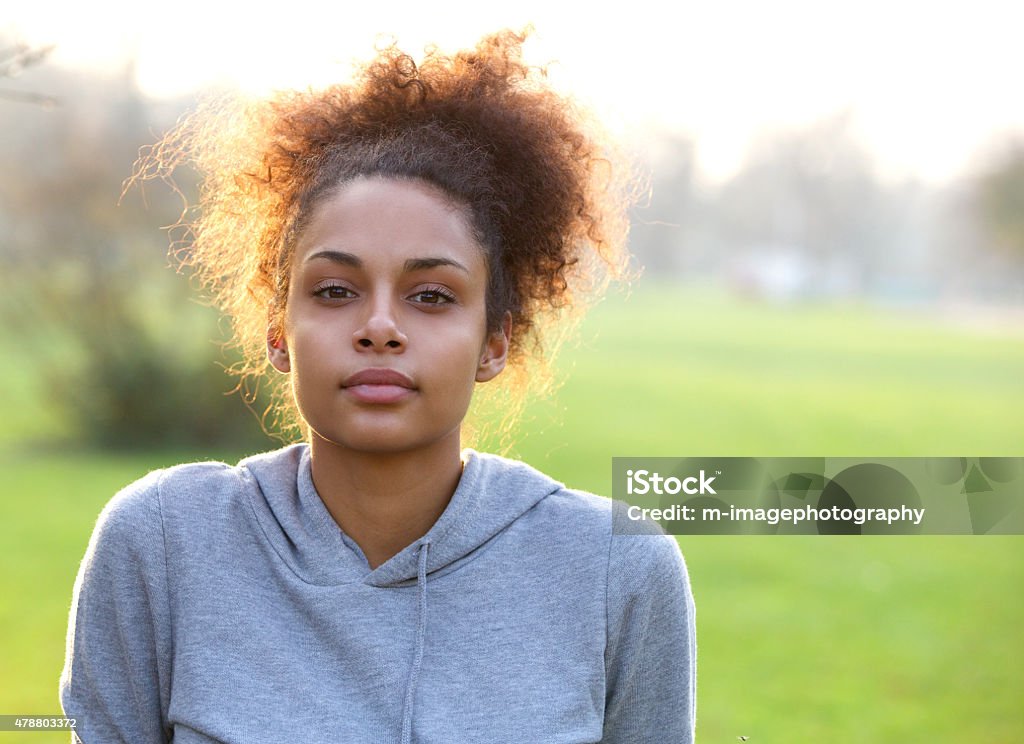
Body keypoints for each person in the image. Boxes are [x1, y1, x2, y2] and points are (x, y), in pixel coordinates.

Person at [59, 30, 696, 744]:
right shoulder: (164, 541)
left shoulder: (616, 568)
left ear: (495, 343)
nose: (381, 327)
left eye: (431, 296)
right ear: (278, 333)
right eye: (335, 290)